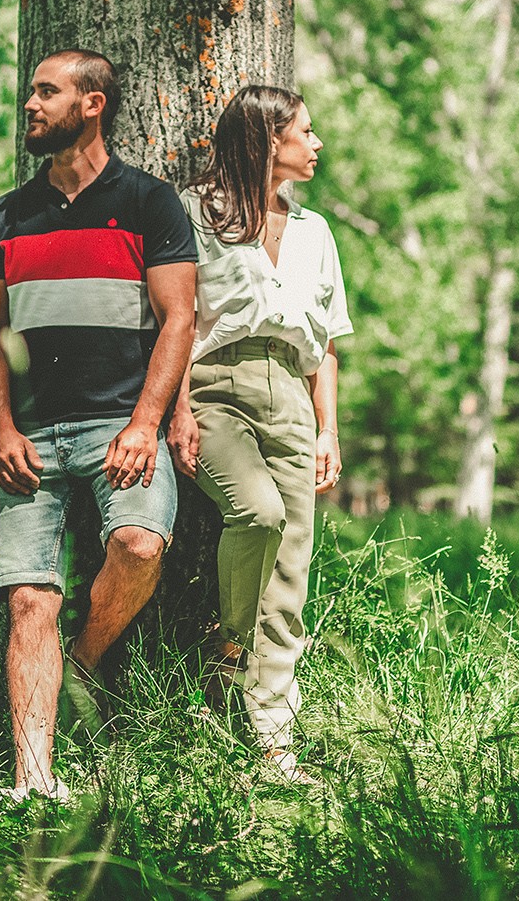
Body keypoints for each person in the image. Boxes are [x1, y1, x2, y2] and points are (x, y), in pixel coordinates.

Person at [0, 49, 198, 805]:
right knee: (29, 597)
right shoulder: (6, 215)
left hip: (119, 427)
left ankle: (89, 655)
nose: (30, 104)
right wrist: (2, 429)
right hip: (32, 436)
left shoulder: (148, 203)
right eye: (31, 91)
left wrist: (146, 422)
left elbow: (179, 319)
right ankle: (32, 779)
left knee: (137, 544)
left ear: (93, 103)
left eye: (47, 91)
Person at [167, 85, 352, 785]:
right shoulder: (198, 213)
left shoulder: (315, 231)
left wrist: (328, 428)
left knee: (292, 573)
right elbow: (178, 320)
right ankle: (227, 649)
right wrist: (178, 410)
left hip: (293, 398)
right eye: (306, 131)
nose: (317, 143)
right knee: (258, 511)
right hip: (217, 387)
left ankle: (273, 738)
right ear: (269, 140)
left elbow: (327, 342)